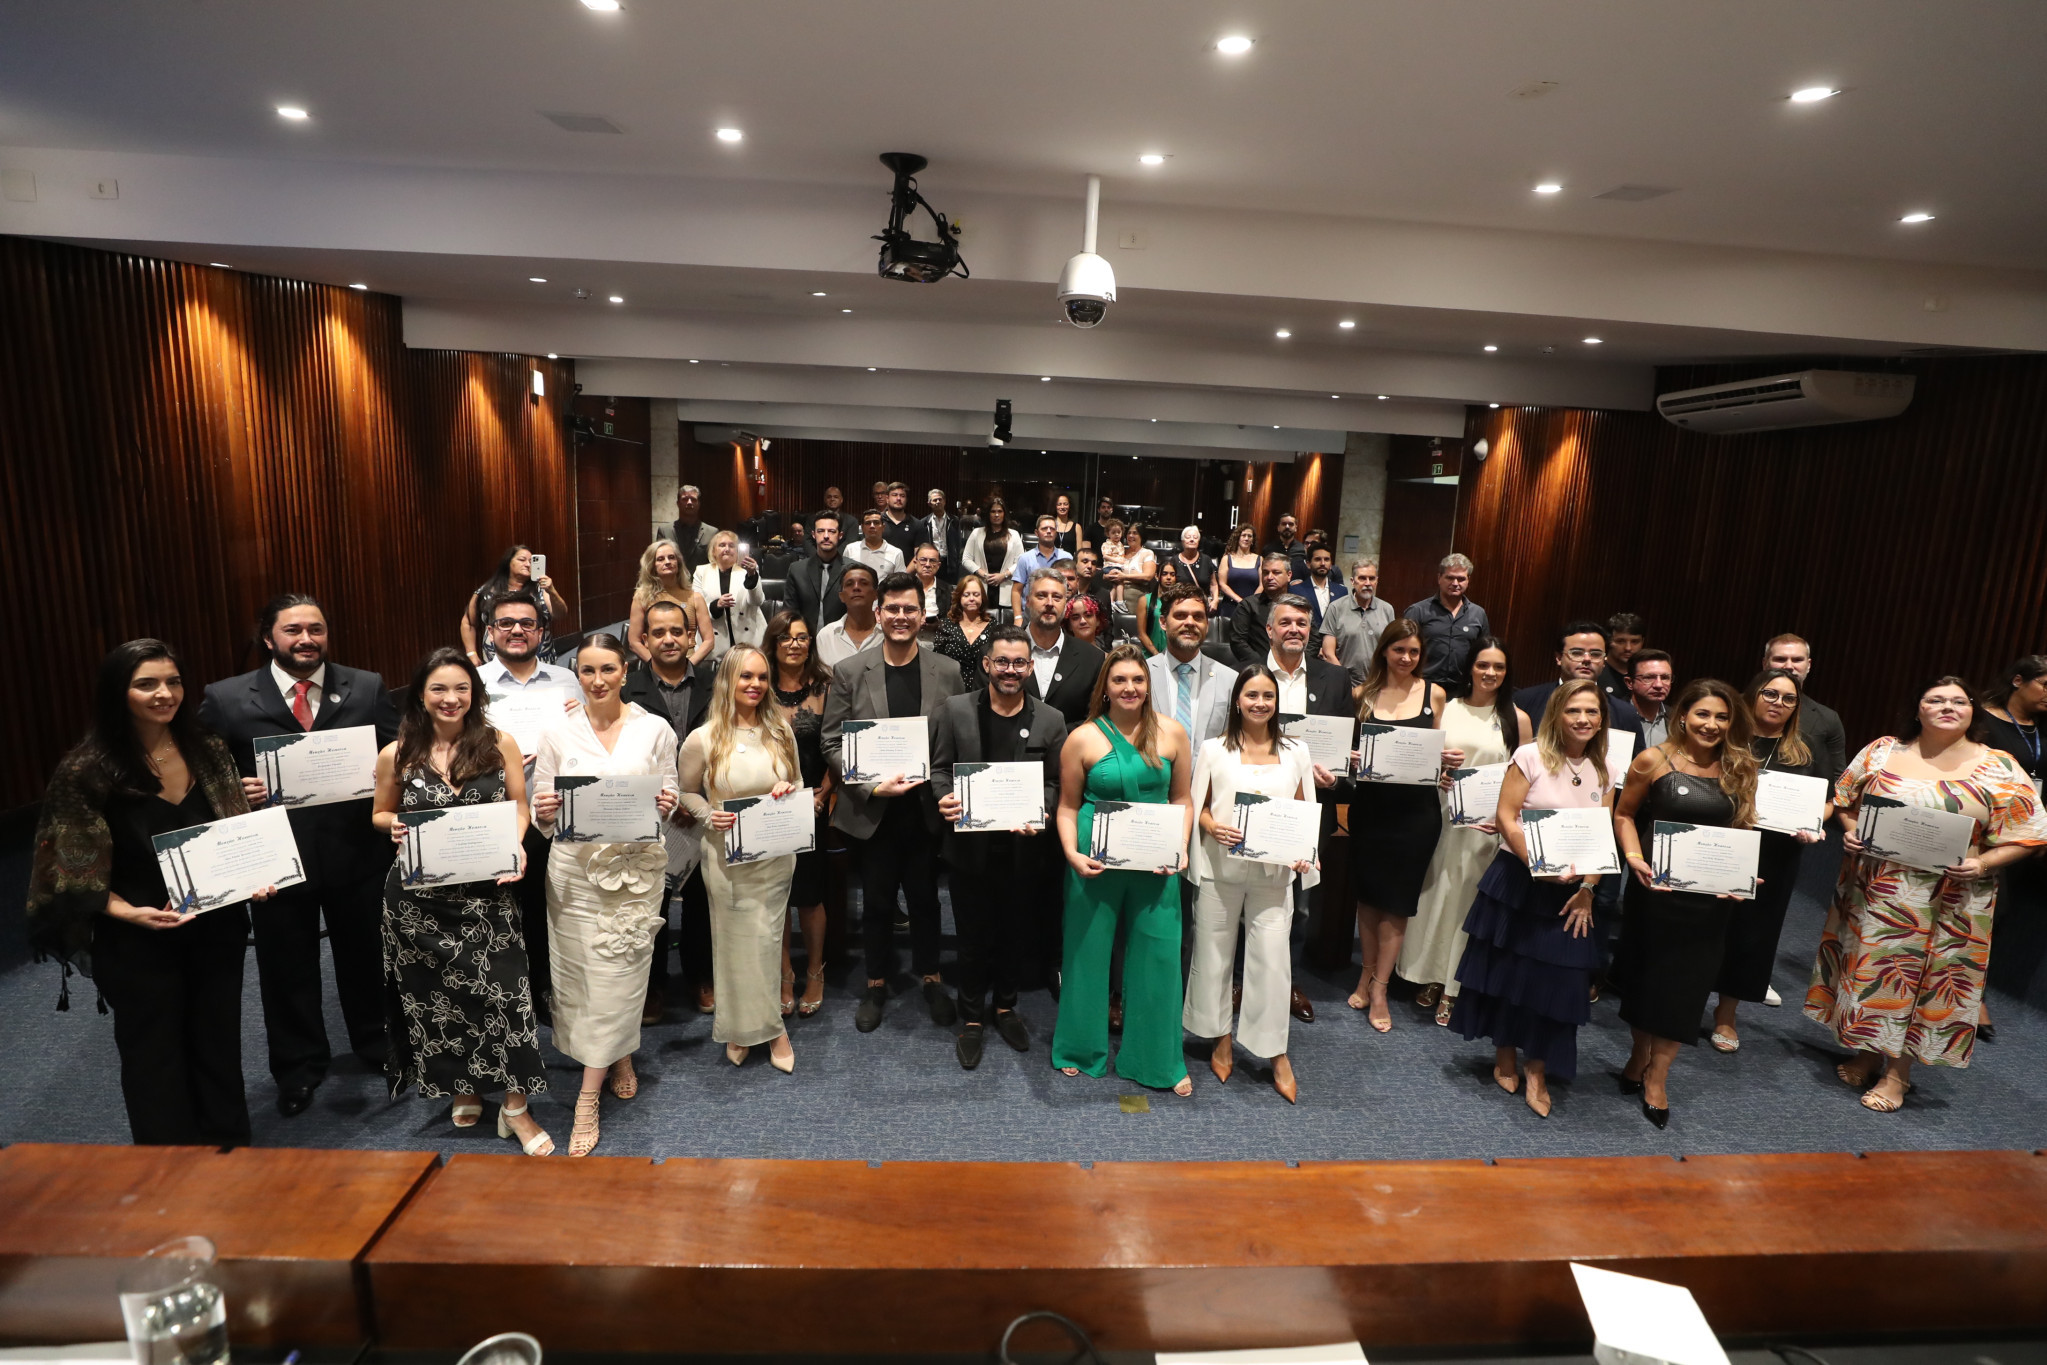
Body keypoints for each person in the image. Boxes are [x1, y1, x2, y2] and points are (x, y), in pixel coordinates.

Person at [28, 640, 273, 1147]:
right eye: (147, 684)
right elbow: (68, 869)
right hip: (137, 934)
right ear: (118, 692)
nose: (165, 694)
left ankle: (230, 1149)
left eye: (173, 682)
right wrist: (128, 913)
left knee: (217, 1038)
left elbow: (237, 830)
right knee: (153, 1052)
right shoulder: (87, 769)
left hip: (215, 924)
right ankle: (168, 1164)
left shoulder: (207, 749)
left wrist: (258, 875)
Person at [199, 594, 400, 1116]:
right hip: (273, 859)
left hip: (357, 852)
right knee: (285, 967)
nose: (306, 639)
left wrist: (384, 777)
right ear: (269, 638)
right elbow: (200, 777)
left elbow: (401, 754)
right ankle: (298, 1067)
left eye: (316, 628)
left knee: (367, 957)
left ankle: (376, 1044)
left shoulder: (366, 687)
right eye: (293, 630)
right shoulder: (226, 699)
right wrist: (233, 792)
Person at [1808, 677, 2045, 1113]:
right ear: (1918, 709)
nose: (1947, 707)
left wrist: (1983, 864)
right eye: (1935, 700)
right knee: (1874, 971)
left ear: (1973, 711)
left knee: (1925, 981)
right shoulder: (1882, 750)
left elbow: (2031, 833)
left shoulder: (2000, 767)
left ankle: (1898, 1074)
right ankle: (1867, 1050)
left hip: (1951, 900)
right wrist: (1853, 831)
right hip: (1878, 890)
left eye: (1959, 701)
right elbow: (1845, 800)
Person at [371, 648, 550, 1153]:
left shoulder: (499, 743)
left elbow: (519, 806)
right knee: (441, 1001)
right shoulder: (397, 753)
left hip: (487, 891)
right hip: (419, 900)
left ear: (475, 693)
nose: (450, 699)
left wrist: (516, 842)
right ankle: (464, 1086)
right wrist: (395, 824)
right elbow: (379, 814)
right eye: (438, 689)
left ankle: (516, 1107)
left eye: (461, 689)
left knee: (507, 995)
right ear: (420, 695)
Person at [531, 633, 683, 1156]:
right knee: (581, 978)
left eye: (608, 670)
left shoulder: (655, 728)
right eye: (588, 671)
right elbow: (541, 805)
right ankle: (616, 1054)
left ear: (625, 671)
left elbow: (670, 793)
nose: (598, 681)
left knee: (620, 975)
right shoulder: (558, 732)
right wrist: (545, 810)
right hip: (574, 875)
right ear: (577, 674)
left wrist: (666, 802)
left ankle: (586, 1097)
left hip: (633, 876)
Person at [1447, 682, 1614, 1118]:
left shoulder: (1605, 769)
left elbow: (1602, 837)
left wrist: (1588, 889)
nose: (1583, 719)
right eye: (1574, 710)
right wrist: (1540, 864)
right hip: (1519, 882)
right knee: (1509, 973)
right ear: (1557, 714)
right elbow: (1506, 816)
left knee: (1558, 985)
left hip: (1572, 895)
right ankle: (1505, 1053)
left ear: (1602, 719)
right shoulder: (1530, 756)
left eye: (1592, 712)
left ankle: (1537, 1069)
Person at [823, 572, 968, 1032]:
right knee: (878, 903)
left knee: (926, 901)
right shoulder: (850, 671)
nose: (901, 617)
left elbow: (960, 737)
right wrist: (869, 785)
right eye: (893, 609)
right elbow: (831, 742)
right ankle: (876, 982)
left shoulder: (947, 670)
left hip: (927, 810)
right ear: (878, 613)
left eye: (910, 609)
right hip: (874, 811)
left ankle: (931, 977)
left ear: (922, 615)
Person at [1613, 679, 1759, 1129]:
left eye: (1722, 717)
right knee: (1646, 979)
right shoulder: (1652, 760)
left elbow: (1743, 829)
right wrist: (1633, 857)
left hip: (1710, 901)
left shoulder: (1741, 768)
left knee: (1686, 987)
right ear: (1682, 716)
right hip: (1654, 893)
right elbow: (1624, 814)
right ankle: (1639, 1053)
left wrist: (1742, 875)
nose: (1711, 724)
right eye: (1703, 714)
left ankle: (1658, 1077)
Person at [1052, 643, 1196, 1095]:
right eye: (1119, 680)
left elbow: (1182, 798)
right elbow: (1067, 806)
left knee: (1159, 957)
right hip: (1095, 858)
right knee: (1087, 953)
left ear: (1148, 686)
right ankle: (1079, 1048)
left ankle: (1157, 1059)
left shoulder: (1173, 733)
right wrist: (1071, 853)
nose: (1129, 687)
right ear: (1105, 687)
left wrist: (1181, 846)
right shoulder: (1082, 738)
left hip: (1157, 860)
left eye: (1137, 679)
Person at [931, 627, 1069, 1069]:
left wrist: (1042, 809)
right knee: (971, 940)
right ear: (987, 664)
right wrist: (944, 796)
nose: (1011, 670)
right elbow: (939, 769)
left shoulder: (1051, 719)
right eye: (1003, 662)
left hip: (1023, 850)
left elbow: (1055, 782)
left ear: (1031, 667)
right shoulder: (955, 710)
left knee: (1014, 936)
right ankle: (972, 1017)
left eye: (1020, 663)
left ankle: (1006, 1008)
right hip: (969, 850)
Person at [1184, 665, 1322, 1103]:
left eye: (1268, 696)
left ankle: (1275, 1051)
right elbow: (1199, 807)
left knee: (1272, 962)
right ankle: (1220, 1036)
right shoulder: (1214, 749)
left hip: (1273, 874)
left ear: (1277, 702)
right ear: (1237, 701)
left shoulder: (1296, 750)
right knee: (1213, 956)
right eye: (1251, 695)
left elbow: (1304, 809)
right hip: (1220, 869)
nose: (1260, 703)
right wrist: (1213, 827)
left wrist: (1303, 852)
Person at [677, 647, 802, 1073]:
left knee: (767, 942)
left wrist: (787, 789)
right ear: (728, 680)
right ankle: (738, 1028)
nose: (755, 685)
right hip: (725, 858)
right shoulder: (703, 738)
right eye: (746, 676)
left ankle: (773, 1030)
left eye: (762, 677)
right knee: (733, 945)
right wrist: (706, 814)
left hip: (774, 855)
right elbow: (687, 792)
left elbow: (798, 780)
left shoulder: (781, 731)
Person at [1400, 638, 1533, 1027]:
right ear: (1470, 668)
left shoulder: (1518, 719)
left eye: (1499, 667)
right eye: (1483, 665)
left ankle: (1455, 986)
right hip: (1442, 817)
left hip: (1486, 826)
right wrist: (1440, 773)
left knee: (1466, 903)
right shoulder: (1448, 708)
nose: (1490, 673)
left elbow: (1526, 778)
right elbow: (1427, 760)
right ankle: (1429, 974)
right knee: (1436, 894)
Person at [1707, 669, 1832, 1052]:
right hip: (1721, 844)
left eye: (1788, 698)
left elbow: (1827, 802)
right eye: (1770, 694)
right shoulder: (1726, 737)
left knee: (1753, 934)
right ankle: (1684, 998)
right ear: (1753, 695)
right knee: (1705, 924)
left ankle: (1726, 1014)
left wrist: (1813, 823)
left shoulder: (1806, 748)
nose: (1779, 703)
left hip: (1776, 854)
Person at [476, 589, 579, 1020]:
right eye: (506, 623)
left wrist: (580, 721)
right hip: (498, 814)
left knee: (550, 910)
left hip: (555, 813)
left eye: (527, 623)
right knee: (500, 912)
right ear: (490, 631)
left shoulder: (567, 680)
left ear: (541, 631)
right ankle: (504, 999)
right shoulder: (473, 683)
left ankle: (546, 992)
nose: (517, 630)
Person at [1346, 618, 1450, 1032]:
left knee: (1397, 903)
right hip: (1371, 811)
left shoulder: (1434, 694)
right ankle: (1365, 973)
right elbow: (1346, 753)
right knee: (1368, 899)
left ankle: (1380, 988)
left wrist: (1445, 765)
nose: (1406, 658)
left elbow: (1437, 753)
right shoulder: (1361, 695)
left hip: (1416, 815)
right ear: (1384, 651)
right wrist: (1351, 758)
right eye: (1399, 650)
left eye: (1414, 651)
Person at [620, 600, 713, 1023]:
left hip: (703, 810)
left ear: (691, 636)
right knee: (649, 902)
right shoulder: (626, 689)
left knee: (700, 900)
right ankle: (652, 985)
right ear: (644, 639)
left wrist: (694, 799)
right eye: (658, 632)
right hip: (648, 814)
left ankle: (700, 976)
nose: (669, 639)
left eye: (677, 631)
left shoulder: (715, 683)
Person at [765, 611, 834, 1018]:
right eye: (786, 637)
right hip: (767, 807)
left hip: (813, 803)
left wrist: (824, 792)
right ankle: (784, 974)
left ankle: (814, 971)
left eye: (802, 637)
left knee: (809, 895)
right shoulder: (758, 684)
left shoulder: (826, 686)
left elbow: (838, 744)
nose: (794, 644)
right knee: (775, 895)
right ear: (772, 643)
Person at [1982, 655, 2047, 1006]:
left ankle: (1971, 990)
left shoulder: (2043, 726)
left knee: (2004, 915)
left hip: (2027, 831)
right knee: (1988, 909)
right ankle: (1971, 997)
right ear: (2018, 680)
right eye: (2045, 685)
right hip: (1987, 829)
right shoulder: (1982, 720)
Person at [1014, 568, 1107, 726]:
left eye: (1057, 597)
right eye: (1041, 596)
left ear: (1065, 604)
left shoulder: (1092, 659)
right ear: (1028, 601)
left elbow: (1095, 717)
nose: (1050, 603)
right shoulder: (999, 653)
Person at [1145, 585, 1234, 746]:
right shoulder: (1143, 675)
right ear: (1163, 622)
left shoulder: (1229, 680)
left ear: (1207, 625)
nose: (1190, 622)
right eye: (1180, 615)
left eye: (1198, 617)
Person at [462, 545, 569, 665]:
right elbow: (468, 623)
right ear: (508, 563)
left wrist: (552, 591)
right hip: (497, 660)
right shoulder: (488, 590)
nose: (528, 564)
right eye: (522, 560)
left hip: (538, 659)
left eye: (531, 561)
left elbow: (561, 614)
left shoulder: (541, 589)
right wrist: (471, 653)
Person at [1763, 634, 1848, 782]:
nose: (1789, 666)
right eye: (1780, 659)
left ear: (1808, 665)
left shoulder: (1828, 719)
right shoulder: (1736, 706)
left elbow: (1837, 778)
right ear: (1765, 663)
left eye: (1797, 660)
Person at [1403, 553, 1492, 692]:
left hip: (1463, 690)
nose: (1455, 583)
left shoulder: (1478, 614)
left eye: (1461, 579)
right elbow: (1403, 649)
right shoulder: (1418, 611)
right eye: (1450, 578)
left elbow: (1485, 653)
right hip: (1423, 687)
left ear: (1468, 580)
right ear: (1439, 578)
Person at [628, 540, 713, 666]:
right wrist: (657, 667)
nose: (667, 562)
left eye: (671, 557)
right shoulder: (642, 598)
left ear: (678, 562)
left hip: (688, 663)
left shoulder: (695, 598)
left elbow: (709, 641)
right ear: (652, 565)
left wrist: (688, 667)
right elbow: (634, 642)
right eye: (660, 559)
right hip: (655, 665)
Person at [1321, 558, 1397, 699]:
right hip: (1343, 686)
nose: (1367, 583)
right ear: (1352, 581)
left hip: (1378, 686)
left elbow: (1392, 650)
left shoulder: (1387, 609)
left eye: (1371, 578)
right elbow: (1328, 653)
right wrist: (1345, 684)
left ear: (1377, 581)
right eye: (1362, 578)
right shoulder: (1336, 608)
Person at [692, 530, 767, 661]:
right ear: (713, 551)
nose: (727, 549)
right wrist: (716, 605)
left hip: (749, 638)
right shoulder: (701, 571)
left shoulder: (748, 569)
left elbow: (757, 601)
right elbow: (696, 608)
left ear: (737, 551)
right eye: (722, 545)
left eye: (731, 546)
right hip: (715, 641)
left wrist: (752, 575)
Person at [1226, 553, 1295, 667]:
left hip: (1295, 667)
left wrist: (1298, 662)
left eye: (1276, 572)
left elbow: (1313, 640)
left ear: (1289, 575)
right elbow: (1238, 641)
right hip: (1259, 669)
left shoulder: (1300, 606)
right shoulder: (1248, 605)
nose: (1269, 577)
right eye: (1265, 573)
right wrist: (1263, 665)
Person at [786, 510, 850, 632]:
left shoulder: (852, 569)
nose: (826, 536)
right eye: (820, 531)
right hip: (805, 637)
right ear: (813, 534)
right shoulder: (797, 570)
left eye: (831, 531)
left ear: (840, 535)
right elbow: (789, 612)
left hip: (842, 637)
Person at [934, 571, 997, 692]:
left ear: (982, 597)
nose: (971, 599)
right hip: (951, 688)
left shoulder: (993, 627)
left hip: (984, 689)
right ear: (959, 598)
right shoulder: (946, 625)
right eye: (966, 595)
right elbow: (938, 660)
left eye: (976, 594)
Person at [815, 563, 883, 670]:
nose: (856, 587)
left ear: (876, 594)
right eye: (849, 584)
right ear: (841, 596)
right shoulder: (826, 636)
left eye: (864, 583)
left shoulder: (888, 632)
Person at [962, 497, 1020, 617]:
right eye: (993, 511)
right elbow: (966, 559)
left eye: (1000, 511)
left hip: (1005, 585)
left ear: (1004, 514)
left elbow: (1020, 562)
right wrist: (983, 574)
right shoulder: (977, 533)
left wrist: (1004, 575)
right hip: (982, 583)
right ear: (988, 514)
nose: (996, 515)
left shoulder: (1014, 535)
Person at [1014, 515, 1075, 601]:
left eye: (1052, 529)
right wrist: (1017, 610)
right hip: (1030, 608)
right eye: (1044, 528)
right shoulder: (1025, 558)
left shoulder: (1067, 557)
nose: (1049, 531)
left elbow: (1073, 587)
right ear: (1036, 533)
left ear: (1056, 532)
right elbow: (1016, 591)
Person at [1108, 521, 1157, 621]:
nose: (1130, 536)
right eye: (1129, 533)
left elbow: (1148, 576)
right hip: (1116, 596)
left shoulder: (1147, 553)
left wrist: (1124, 577)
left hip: (1136, 596)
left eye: (1135, 533)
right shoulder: (1121, 552)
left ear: (1142, 536)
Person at [1627, 649, 1675, 749]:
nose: (1659, 685)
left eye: (1665, 677)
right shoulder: (1613, 715)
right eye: (1649, 677)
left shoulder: (1676, 718)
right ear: (1630, 683)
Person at [1214, 524, 1261, 622]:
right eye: (1243, 535)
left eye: (1249, 536)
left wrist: (1250, 602)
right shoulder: (1226, 558)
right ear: (1238, 538)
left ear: (1253, 540)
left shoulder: (1260, 559)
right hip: (1230, 606)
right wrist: (1241, 601)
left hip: (1252, 607)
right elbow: (1222, 584)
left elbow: (1262, 585)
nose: (1246, 538)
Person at [667, 484, 719, 573]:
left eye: (693, 499)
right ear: (678, 503)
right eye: (685, 499)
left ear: (699, 504)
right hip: (673, 580)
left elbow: (715, 563)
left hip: (702, 580)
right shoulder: (665, 531)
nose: (689, 502)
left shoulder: (712, 533)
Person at [1288, 544, 1338, 635]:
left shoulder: (1341, 591)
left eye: (1326, 559)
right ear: (1308, 564)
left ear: (1331, 564)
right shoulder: (1295, 591)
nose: (1323, 563)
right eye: (1318, 559)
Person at [1136, 559, 1181, 656]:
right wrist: (1156, 654)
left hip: (1175, 656)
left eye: (1172, 574)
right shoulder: (1145, 600)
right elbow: (1142, 634)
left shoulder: (1180, 602)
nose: (1168, 577)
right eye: (1164, 574)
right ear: (1157, 576)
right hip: (1150, 655)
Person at [849, 509, 908, 581]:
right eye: (868, 523)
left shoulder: (896, 553)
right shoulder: (850, 549)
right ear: (862, 528)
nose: (872, 526)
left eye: (876, 523)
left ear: (883, 527)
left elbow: (901, 582)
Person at [908, 542, 951, 635]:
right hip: (908, 637)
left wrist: (939, 625)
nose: (927, 564)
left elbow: (953, 620)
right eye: (923, 560)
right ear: (915, 563)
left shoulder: (948, 590)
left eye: (932, 561)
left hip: (938, 639)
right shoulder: (904, 587)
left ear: (938, 565)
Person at [924, 488, 966, 582]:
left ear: (944, 501)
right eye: (935, 500)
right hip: (932, 562)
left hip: (949, 562)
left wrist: (957, 559)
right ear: (929, 503)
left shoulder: (954, 520)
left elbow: (958, 542)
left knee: (950, 589)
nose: (938, 502)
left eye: (940, 499)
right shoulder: (925, 522)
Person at [1599, 613, 1646, 695]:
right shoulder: (1596, 671)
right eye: (1621, 641)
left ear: (1642, 642)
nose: (1628, 648)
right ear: (1608, 641)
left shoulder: (1647, 674)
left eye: (1635, 642)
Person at [1169, 525, 1215, 604]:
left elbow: (1213, 584)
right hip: (1180, 603)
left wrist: (1215, 600)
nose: (1192, 540)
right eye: (1188, 537)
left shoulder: (1206, 559)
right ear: (1182, 541)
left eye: (1195, 537)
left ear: (1198, 541)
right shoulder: (1174, 560)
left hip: (1201, 603)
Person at [1072, 546, 1116, 626]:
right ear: (1075, 564)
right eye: (1085, 561)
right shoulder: (1066, 592)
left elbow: (1107, 627)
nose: (1089, 566)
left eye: (1093, 563)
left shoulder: (1103, 595)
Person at [1262, 513, 1307, 579]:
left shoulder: (1303, 549)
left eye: (1291, 524)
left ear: (1295, 528)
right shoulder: (1268, 549)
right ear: (1278, 528)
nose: (1287, 527)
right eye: (1284, 524)